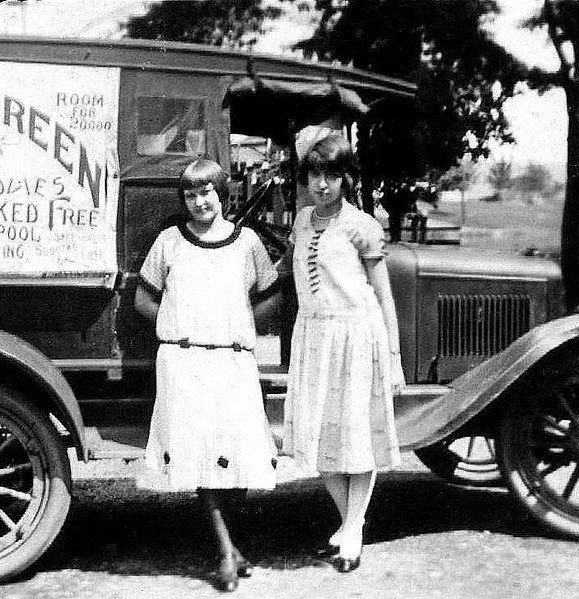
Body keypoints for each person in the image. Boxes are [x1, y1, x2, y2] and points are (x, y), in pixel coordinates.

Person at [134, 158, 281, 592]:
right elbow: (144, 300)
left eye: (207, 192)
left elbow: (270, 299)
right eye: (191, 195)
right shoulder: (169, 242)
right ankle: (223, 552)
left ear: (223, 193)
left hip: (233, 361)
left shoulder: (248, 243)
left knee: (240, 456)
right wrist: (183, 326)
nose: (200, 202)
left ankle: (231, 547)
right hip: (184, 362)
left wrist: (234, 324)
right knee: (199, 459)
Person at [282, 135, 403, 573]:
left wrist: (393, 356)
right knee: (319, 442)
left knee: (358, 438)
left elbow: (384, 296)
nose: (323, 185)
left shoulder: (362, 226)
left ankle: (351, 531)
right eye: (315, 175)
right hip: (315, 336)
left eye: (333, 175)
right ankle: (350, 521)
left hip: (356, 336)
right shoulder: (300, 221)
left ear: (346, 179)